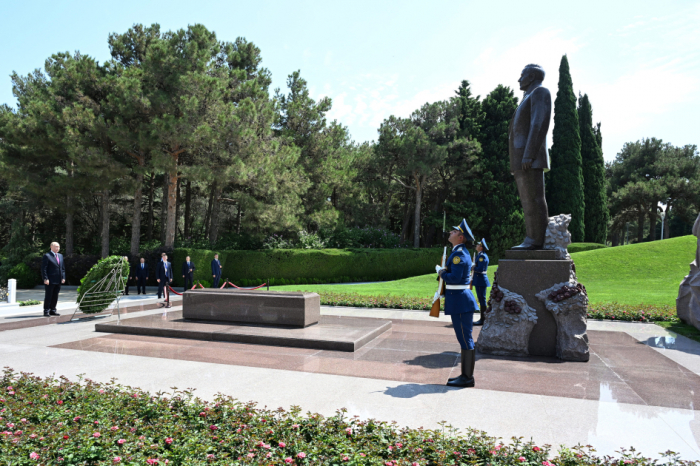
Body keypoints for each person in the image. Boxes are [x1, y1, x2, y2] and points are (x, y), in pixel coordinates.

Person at [509, 64, 551, 250]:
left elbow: (538, 124)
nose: (519, 80)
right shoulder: (528, 96)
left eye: (522, 75)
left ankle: (536, 239)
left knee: (534, 198)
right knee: (527, 200)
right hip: (521, 158)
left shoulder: (540, 92)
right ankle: (531, 237)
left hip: (529, 158)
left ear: (532, 76)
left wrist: (529, 154)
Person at [438, 219, 479, 388]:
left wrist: (441, 272)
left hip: (461, 302)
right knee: (464, 339)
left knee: (465, 339)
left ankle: (467, 377)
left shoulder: (459, 255)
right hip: (459, 300)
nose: (450, 233)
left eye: (454, 232)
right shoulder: (459, 252)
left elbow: (454, 278)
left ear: (461, 237)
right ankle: (466, 375)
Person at [41, 242, 65, 317]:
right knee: (49, 295)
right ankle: (46, 311)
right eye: (56, 247)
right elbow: (43, 269)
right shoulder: (47, 256)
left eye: (58, 247)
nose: (57, 248)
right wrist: (45, 278)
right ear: (51, 247)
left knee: (55, 296)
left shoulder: (60, 256)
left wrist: (63, 277)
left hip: (58, 280)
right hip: (50, 280)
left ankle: (53, 310)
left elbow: (62, 268)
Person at [470, 239, 490, 326]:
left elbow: (481, 269)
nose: (476, 246)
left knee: (482, 299)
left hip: (480, 280)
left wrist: (473, 267)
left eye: (478, 245)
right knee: (481, 299)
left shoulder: (482, 256)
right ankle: (483, 318)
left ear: (481, 247)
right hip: (479, 280)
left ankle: (483, 319)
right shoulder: (480, 255)